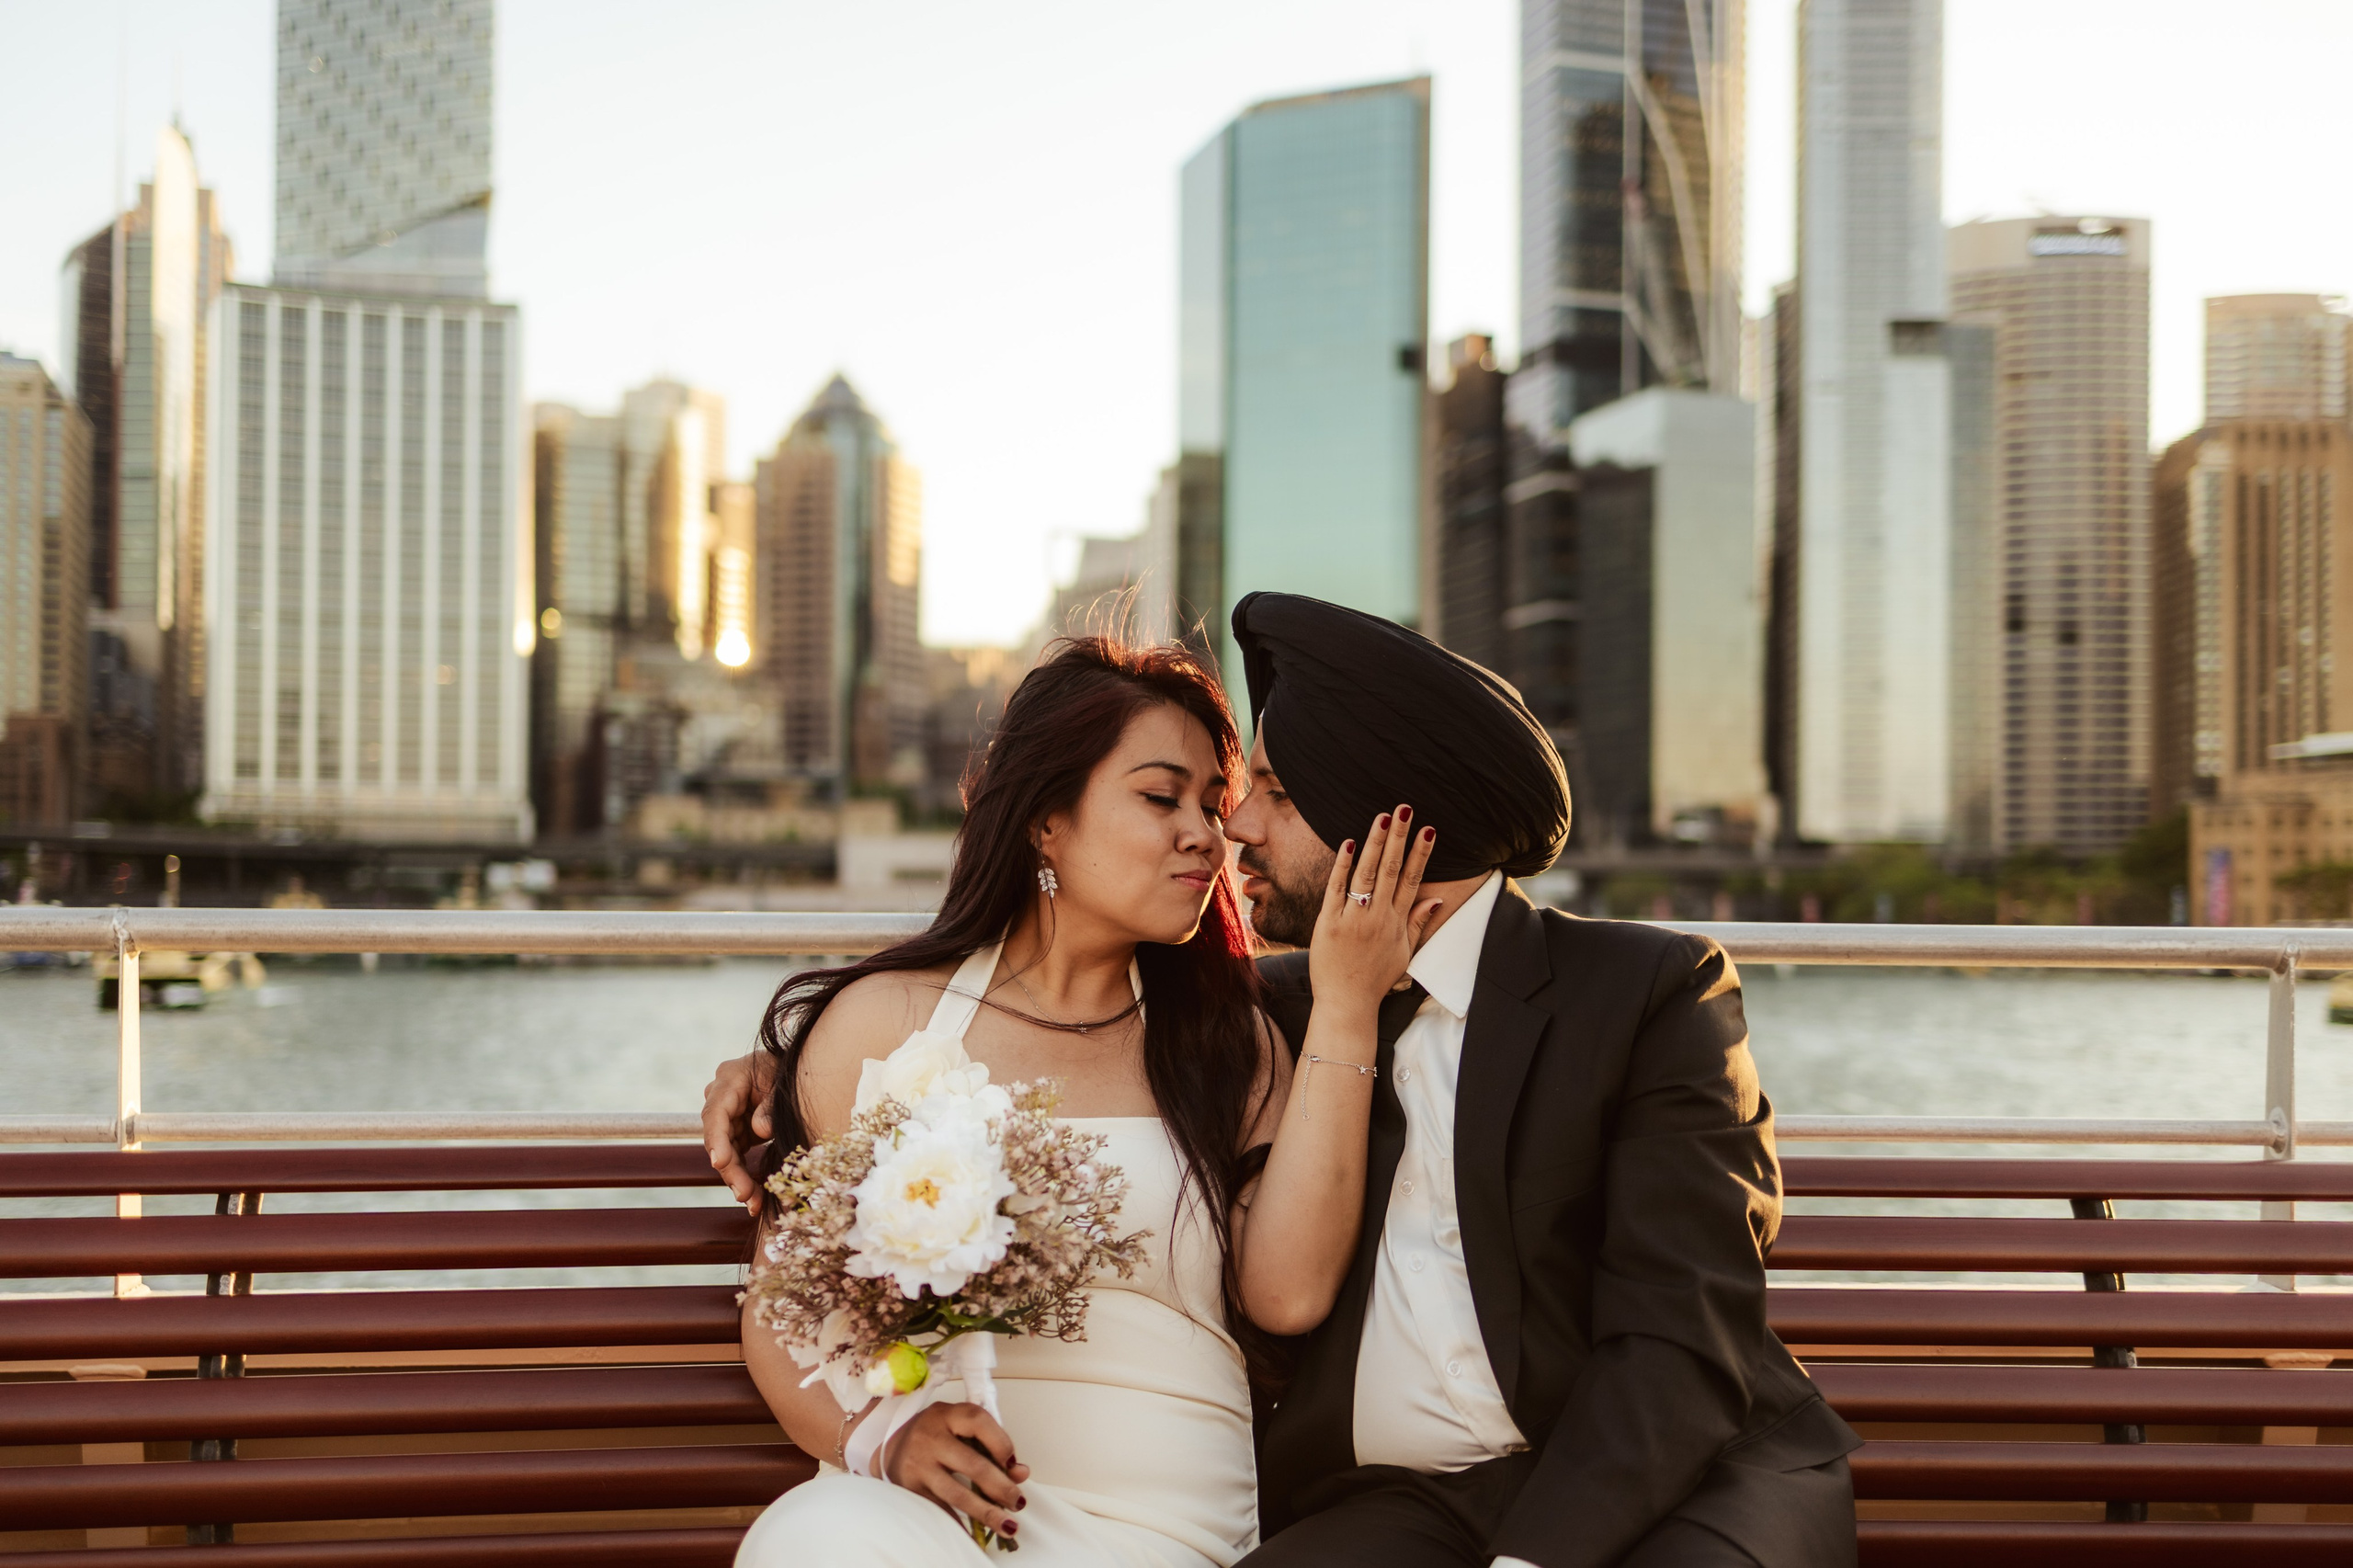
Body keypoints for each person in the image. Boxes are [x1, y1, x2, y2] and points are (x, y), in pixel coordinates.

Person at [709, 595, 1860, 1567]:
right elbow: (842, 1210)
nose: (1229, 832)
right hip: (1395, 1508)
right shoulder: (1270, 1015)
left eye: (1260, 794)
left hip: (1667, 1485)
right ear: (1047, 820)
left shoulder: (1637, 994)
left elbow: (1673, 1342)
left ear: (1387, 821)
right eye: (1187, 799)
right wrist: (783, 1076)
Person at [728, 634, 1436, 1568]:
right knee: (817, 1540)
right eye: (1161, 797)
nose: (1207, 833)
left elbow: (1289, 1292)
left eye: (1211, 804)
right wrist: (882, 1441)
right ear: (1045, 820)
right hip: (923, 1510)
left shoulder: (1230, 1044)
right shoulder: (882, 1021)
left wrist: (1345, 1006)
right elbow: (780, 1308)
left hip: (1163, 1523)